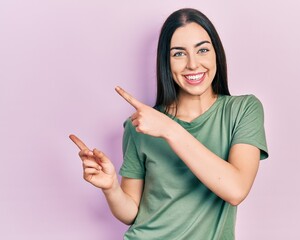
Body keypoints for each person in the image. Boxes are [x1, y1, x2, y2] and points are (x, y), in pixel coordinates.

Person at [70, 8, 268, 239]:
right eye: (179, 54)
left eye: (202, 50)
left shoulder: (243, 110)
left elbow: (236, 189)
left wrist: (169, 130)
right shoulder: (140, 125)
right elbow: (132, 212)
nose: (193, 64)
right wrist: (111, 187)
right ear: (166, 61)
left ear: (216, 54)